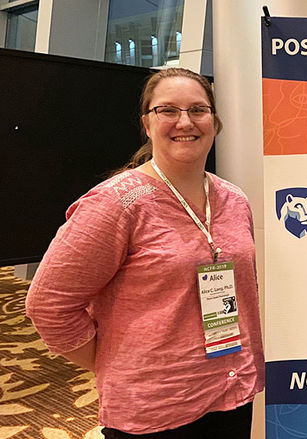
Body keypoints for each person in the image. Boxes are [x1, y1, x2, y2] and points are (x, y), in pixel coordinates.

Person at [26, 67, 264, 438]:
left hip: (230, 390)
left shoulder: (234, 200)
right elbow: (48, 305)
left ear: (214, 123)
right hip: (154, 409)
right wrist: (116, 362)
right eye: (167, 110)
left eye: (198, 110)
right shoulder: (116, 203)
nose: (184, 121)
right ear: (147, 124)